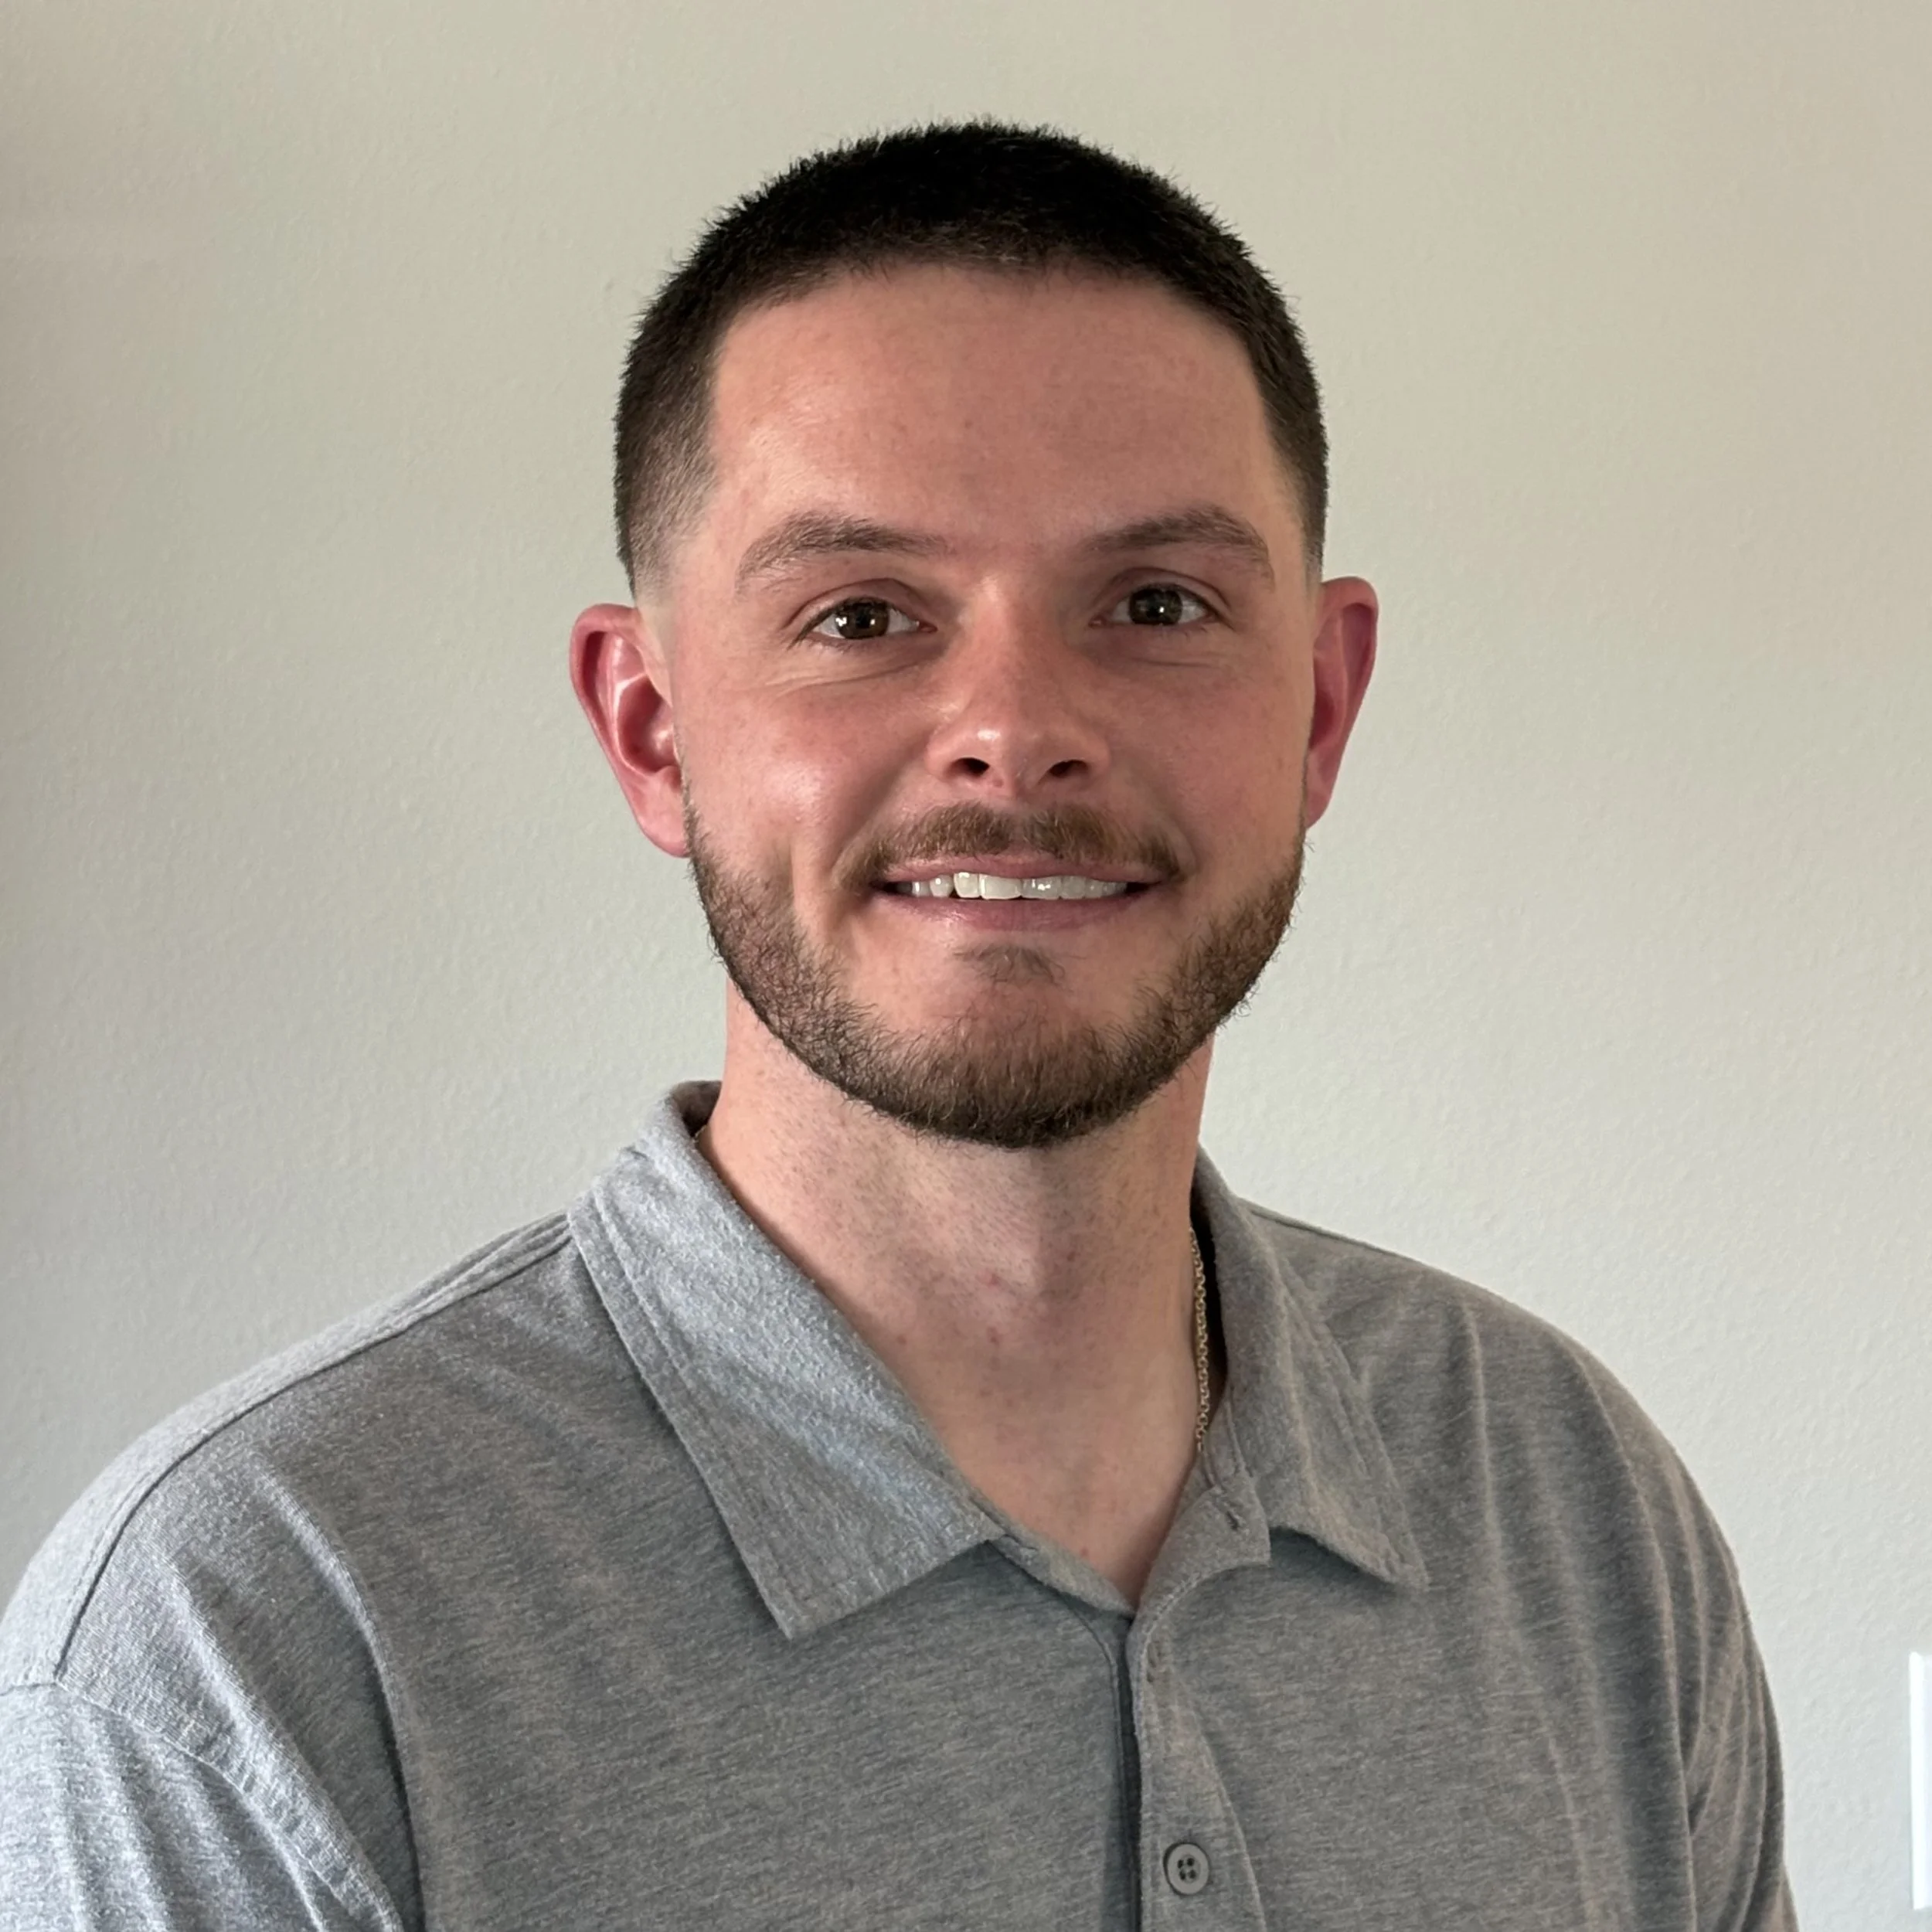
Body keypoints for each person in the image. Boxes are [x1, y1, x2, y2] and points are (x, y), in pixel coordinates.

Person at [0, 123, 1795, 1929]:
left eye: (1155, 604)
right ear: (648, 727)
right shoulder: (254, 1640)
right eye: (859, 615)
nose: (1013, 728)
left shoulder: (1570, 1507)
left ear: (1318, 706)